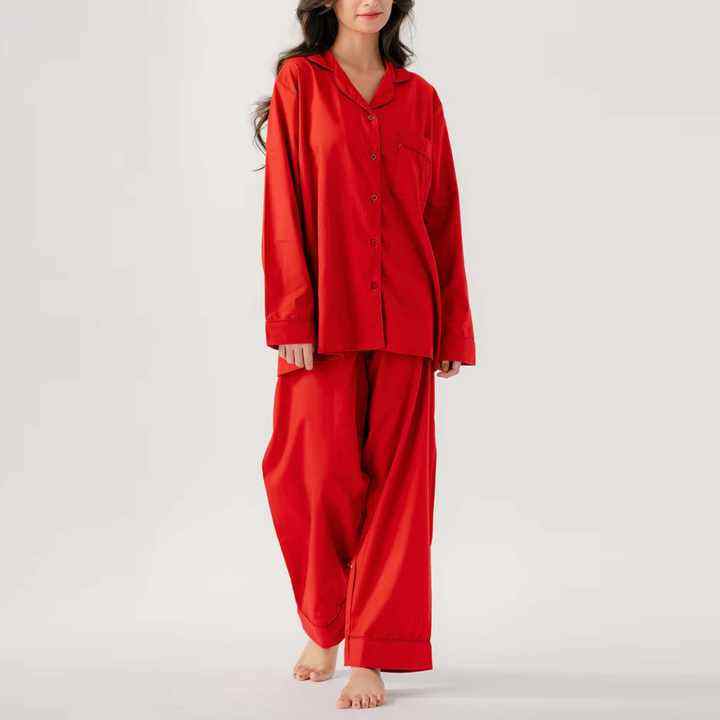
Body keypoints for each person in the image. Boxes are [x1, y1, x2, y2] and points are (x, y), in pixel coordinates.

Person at [253, 0, 476, 710]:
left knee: (398, 496)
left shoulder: (422, 99)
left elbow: (441, 214)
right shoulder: (301, 84)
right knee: (310, 476)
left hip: (409, 318)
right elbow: (284, 202)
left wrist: (452, 329)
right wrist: (292, 312)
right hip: (324, 321)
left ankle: (370, 653)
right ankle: (326, 623)